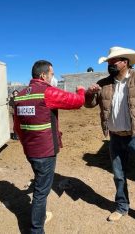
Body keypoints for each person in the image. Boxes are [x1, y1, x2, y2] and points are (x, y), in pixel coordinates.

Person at [85, 47, 135, 234]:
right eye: (109, 62)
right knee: (119, 176)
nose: (110, 65)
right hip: (115, 138)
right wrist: (89, 94)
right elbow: (89, 105)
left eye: (114, 61)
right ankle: (122, 207)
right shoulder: (103, 83)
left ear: (126, 62)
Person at [13, 60, 85, 234]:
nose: (53, 77)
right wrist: (81, 90)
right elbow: (77, 102)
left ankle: (39, 218)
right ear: (43, 75)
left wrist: (25, 145)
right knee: (41, 192)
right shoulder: (47, 92)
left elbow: (17, 128)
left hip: (30, 150)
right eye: (52, 74)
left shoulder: (20, 96)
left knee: (39, 183)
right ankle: (37, 229)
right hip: (45, 151)